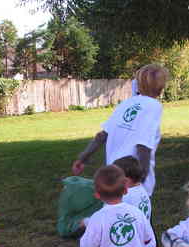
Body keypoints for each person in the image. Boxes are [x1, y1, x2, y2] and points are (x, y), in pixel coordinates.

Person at [72, 64, 169, 197]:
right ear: (161, 88)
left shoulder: (125, 104)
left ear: (139, 84)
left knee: (115, 214)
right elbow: (143, 145)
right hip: (133, 181)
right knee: (137, 217)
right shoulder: (154, 107)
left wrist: (83, 158)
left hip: (113, 177)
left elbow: (102, 135)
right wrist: (141, 179)